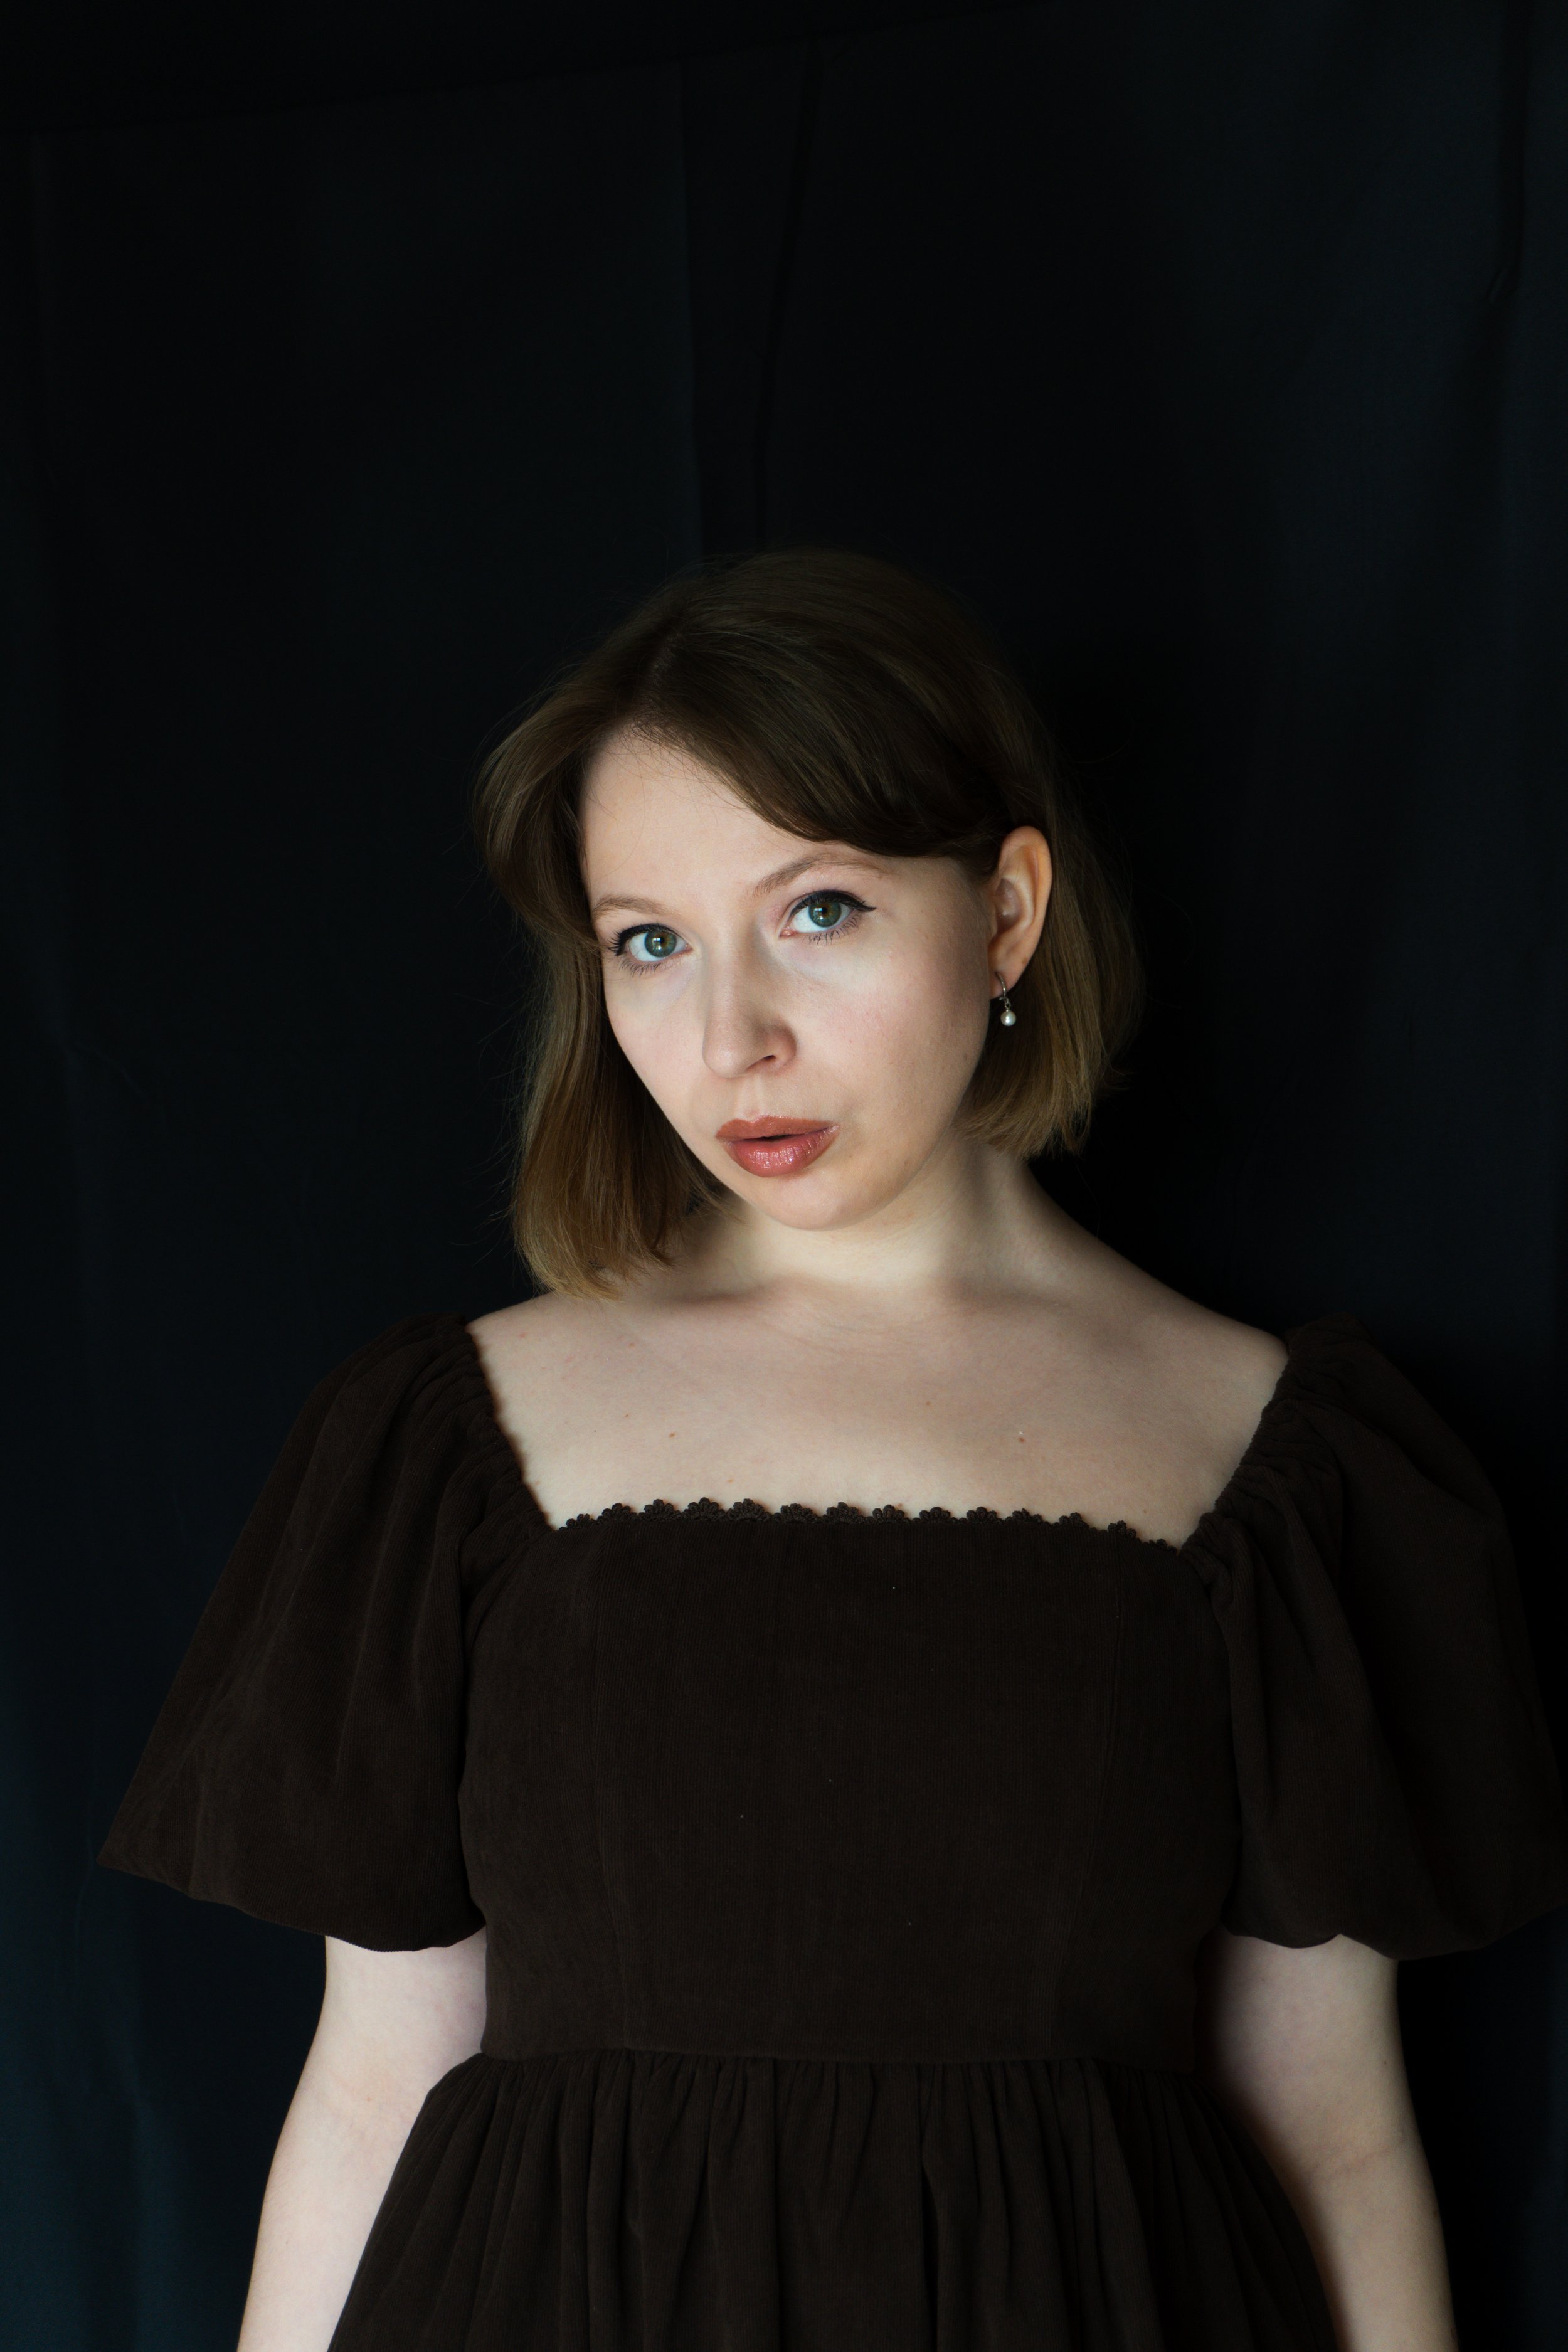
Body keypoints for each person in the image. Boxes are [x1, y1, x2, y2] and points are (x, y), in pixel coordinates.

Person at [101, 549, 1568, 2352]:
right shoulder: (442, 1441)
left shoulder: (1285, 1463)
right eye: (650, 942)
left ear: (1006, 911)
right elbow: (367, 2090)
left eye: (818, 911)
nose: (732, 1038)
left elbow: (1333, 2136)